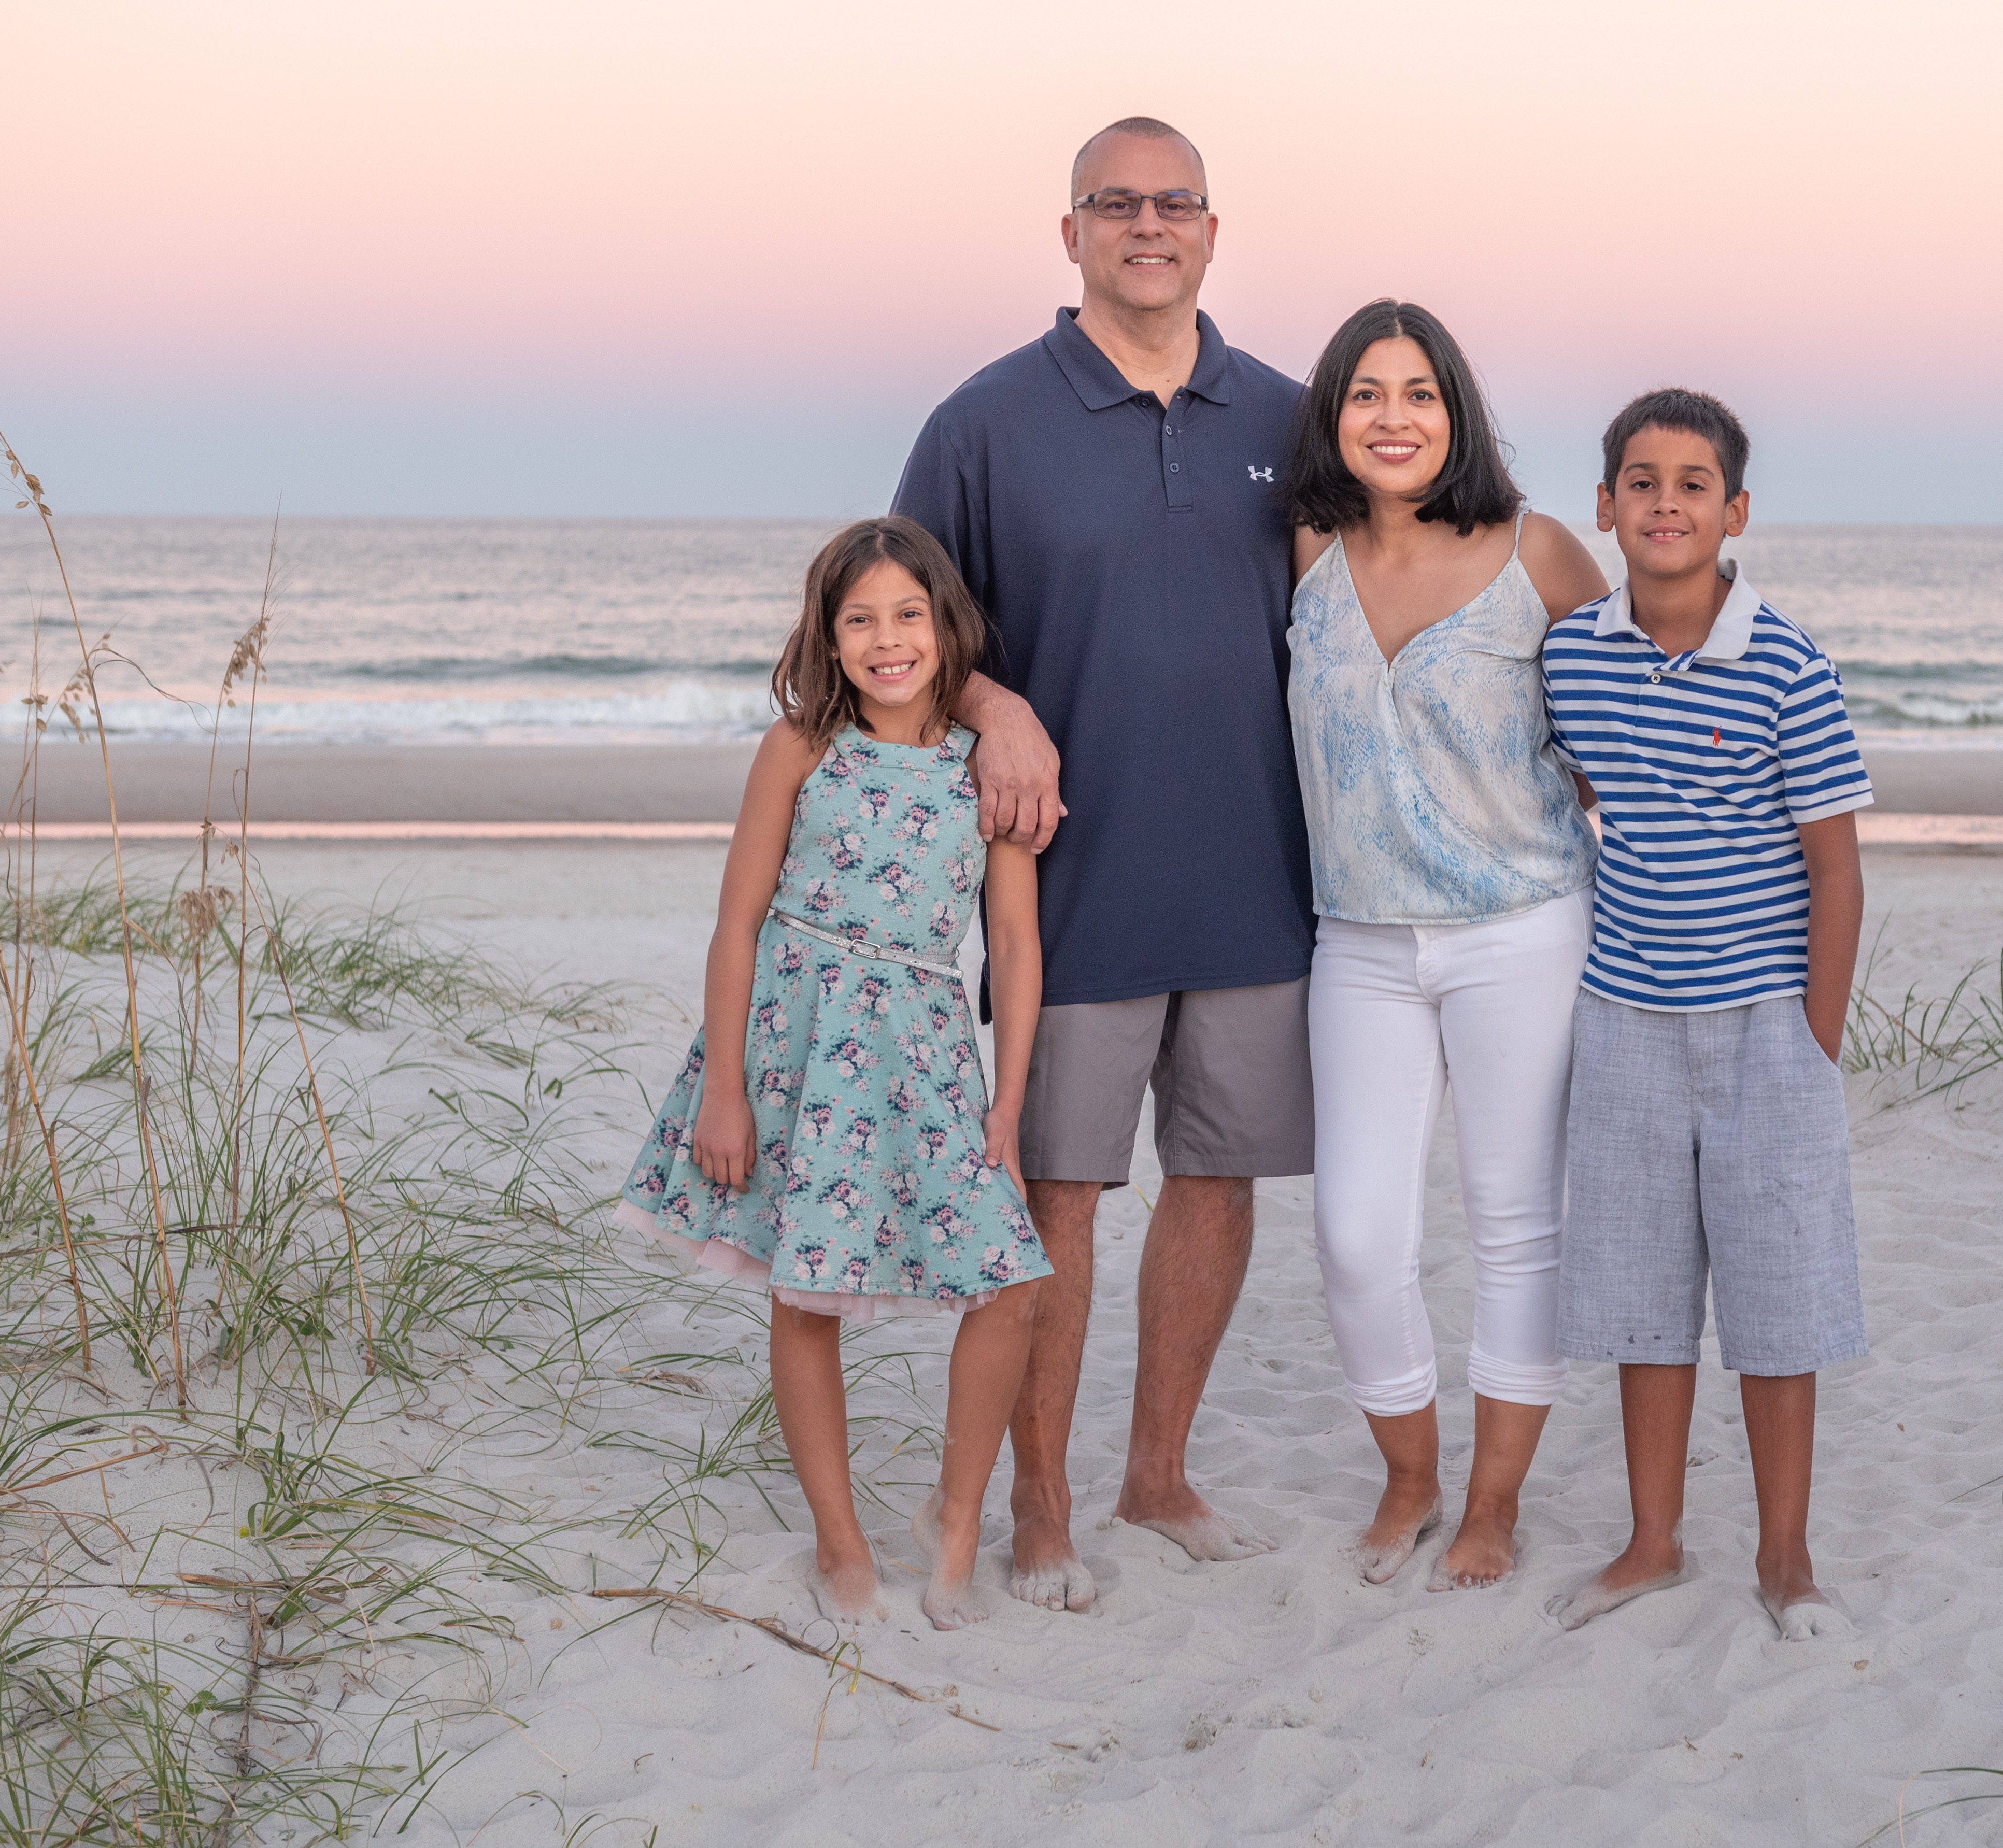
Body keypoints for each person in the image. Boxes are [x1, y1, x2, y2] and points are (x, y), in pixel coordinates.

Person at [891, 117, 1315, 1612]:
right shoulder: (983, 420)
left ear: (1213, 229)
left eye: (1174, 203)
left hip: (1262, 883)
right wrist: (993, 698)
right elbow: (898, 632)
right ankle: (1043, 1505)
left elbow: (1382, 603)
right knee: (1056, 1198)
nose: (1148, 224)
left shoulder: (1288, 411)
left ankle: (1158, 1471)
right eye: (1115, 202)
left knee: (1215, 1183)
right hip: (1065, 889)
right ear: (1066, 229)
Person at [612, 516, 1049, 1632]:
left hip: (925, 1041)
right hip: (791, 1040)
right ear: (829, 634)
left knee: (1008, 1279)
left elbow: (1014, 940)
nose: (886, 638)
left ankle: (955, 1518)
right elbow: (737, 922)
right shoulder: (800, 747)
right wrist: (724, 1087)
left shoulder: (980, 768)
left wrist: (1006, 1096)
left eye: (909, 614)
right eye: (860, 619)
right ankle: (838, 1539)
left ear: (947, 627)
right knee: (803, 1289)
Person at [1282, 300, 1608, 1590]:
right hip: (1357, 939)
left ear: (1456, 411)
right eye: (1367, 393)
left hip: (1523, 930)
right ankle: (1409, 1476)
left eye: (1419, 393)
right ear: (1334, 415)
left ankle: (1492, 1503)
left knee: (1513, 1228)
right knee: (1358, 1232)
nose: (1394, 417)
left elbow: (1617, 740)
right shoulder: (1305, 549)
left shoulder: (1540, 553)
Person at [1536, 389, 1871, 1640]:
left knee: (1778, 1296)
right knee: (1640, 1289)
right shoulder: (1575, 652)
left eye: (1690, 483)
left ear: (1733, 512)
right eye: (1639, 480)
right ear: (1608, 507)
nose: (1663, 501)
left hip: (1764, 1024)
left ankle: (1786, 1559)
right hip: (1623, 1014)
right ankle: (1651, 1540)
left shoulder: (1784, 659)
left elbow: (1835, 864)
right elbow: (1580, 780)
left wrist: (1813, 1036)